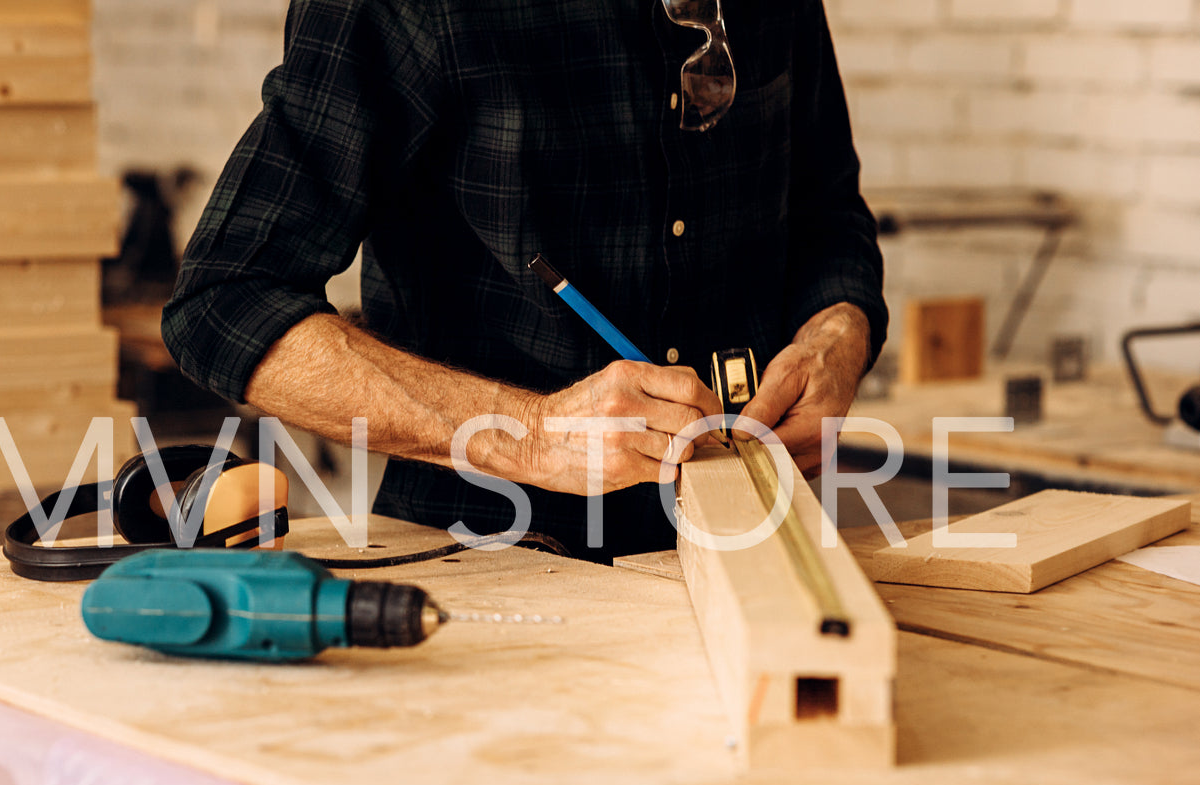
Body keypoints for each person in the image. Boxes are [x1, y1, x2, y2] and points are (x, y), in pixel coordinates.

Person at [162, 0, 886, 562]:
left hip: (757, 549)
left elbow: (828, 211)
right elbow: (225, 302)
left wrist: (838, 331)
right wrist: (530, 434)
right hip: (491, 563)